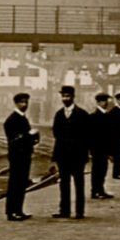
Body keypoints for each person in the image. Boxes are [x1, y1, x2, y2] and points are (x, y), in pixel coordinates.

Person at [51, 85, 90, 219]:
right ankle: (65, 211)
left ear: (73, 97)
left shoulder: (82, 114)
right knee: (64, 183)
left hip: (78, 156)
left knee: (79, 184)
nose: (65, 98)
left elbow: (87, 136)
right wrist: (55, 157)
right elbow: (56, 135)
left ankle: (80, 211)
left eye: (67, 96)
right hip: (63, 156)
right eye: (63, 96)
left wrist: (85, 155)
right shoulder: (59, 114)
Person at [2, 92, 38, 221]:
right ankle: (12, 212)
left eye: (26, 102)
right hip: (18, 156)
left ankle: (18, 210)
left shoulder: (22, 118)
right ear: (16, 103)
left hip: (23, 155)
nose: (25, 105)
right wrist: (30, 135)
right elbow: (16, 139)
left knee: (21, 183)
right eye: (22, 102)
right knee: (15, 183)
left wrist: (32, 137)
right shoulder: (12, 119)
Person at [89, 93, 116, 199]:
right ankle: (95, 191)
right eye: (103, 101)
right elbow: (91, 135)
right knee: (97, 170)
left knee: (103, 170)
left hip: (104, 148)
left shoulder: (107, 115)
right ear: (98, 102)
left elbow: (109, 135)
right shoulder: (94, 117)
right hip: (97, 148)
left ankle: (100, 189)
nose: (106, 103)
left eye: (106, 101)